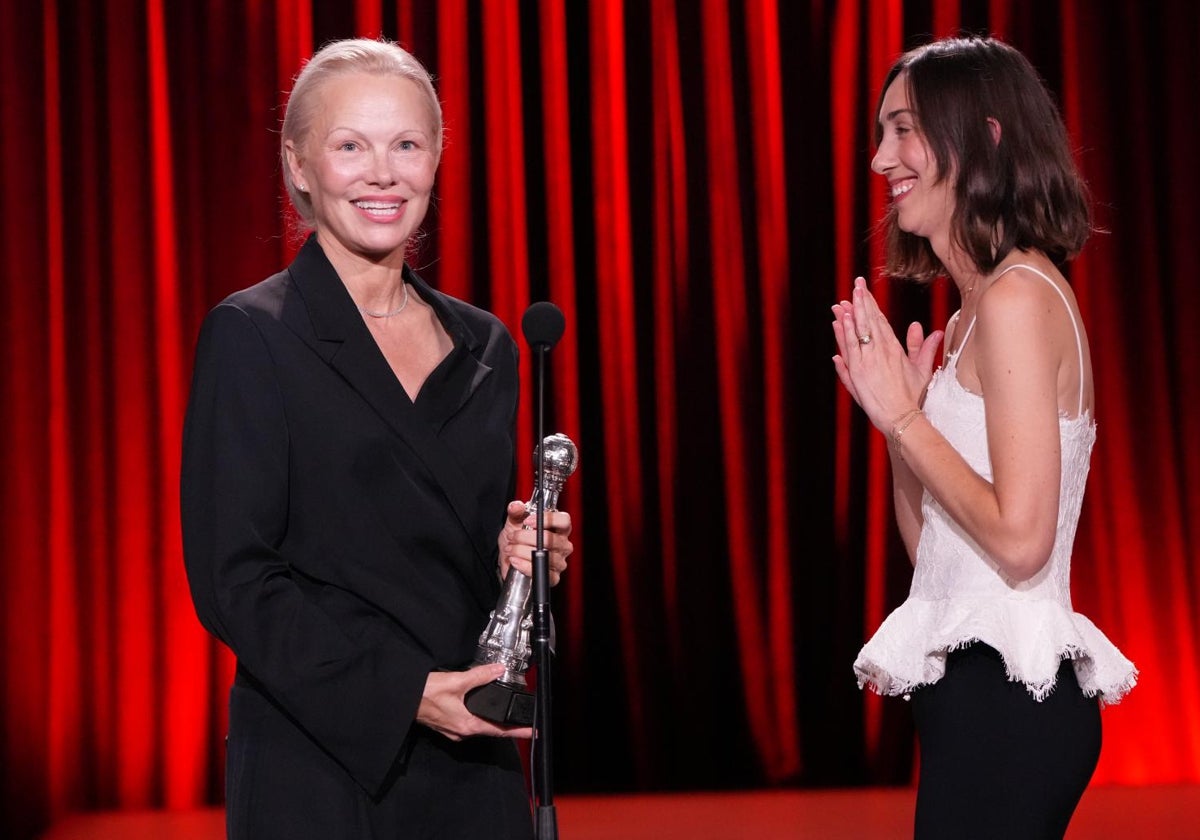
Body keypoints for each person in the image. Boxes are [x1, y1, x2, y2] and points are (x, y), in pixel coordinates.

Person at [180, 37, 572, 839]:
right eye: (350, 146)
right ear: (299, 166)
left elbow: (452, 564)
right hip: (322, 763)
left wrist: (516, 565)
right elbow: (235, 580)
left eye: (406, 145)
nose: (382, 173)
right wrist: (403, 694)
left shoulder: (486, 346)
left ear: (435, 160)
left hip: (472, 761)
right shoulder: (254, 334)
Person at [830, 36, 1137, 839]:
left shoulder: (1017, 297)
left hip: (1012, 705)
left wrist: (905, 418)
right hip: (972, 697)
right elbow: (936, 555)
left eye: (904, 130)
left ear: (988, 137)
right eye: (881, 132)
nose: (880, 160)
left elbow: (1023, 540)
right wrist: (903, 430)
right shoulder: (975, 313)